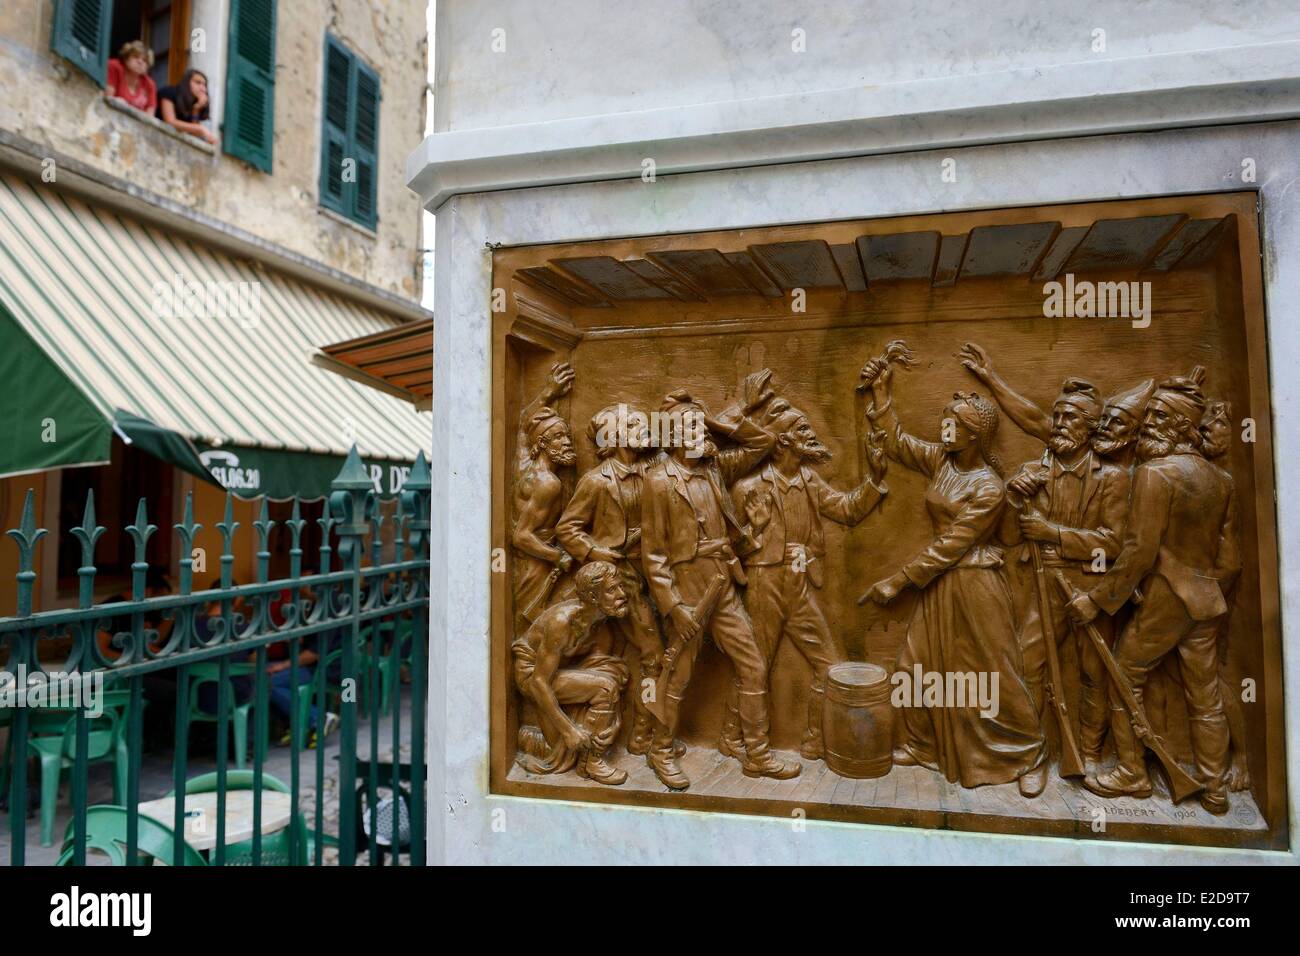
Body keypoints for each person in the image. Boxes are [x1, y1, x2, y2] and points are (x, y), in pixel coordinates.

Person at [862, 350, 1046, 790]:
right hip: (941, 584)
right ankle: (924, 743)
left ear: (975, 435)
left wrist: (898, 579)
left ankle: (1028, 752)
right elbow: (896, 440)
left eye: (953, 425)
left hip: (975, 583)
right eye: (945, 423)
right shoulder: (942, 462)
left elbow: (953, 545)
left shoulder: (988, 486)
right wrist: (881, 392)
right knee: (914, 667)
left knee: (995, 674)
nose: (945, 430)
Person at [1066, 372, 1240, 814]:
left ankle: (1132, 773)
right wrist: (1207, 588)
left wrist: (1097, 599)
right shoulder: (1221, 480)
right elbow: (1228, 558)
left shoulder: (1155, 474)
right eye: (1150, 415)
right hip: (1205, 602)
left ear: (1183, 426)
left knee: (1124, 677)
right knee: (1205, 696)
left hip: (1167, 598)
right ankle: (1215, 788)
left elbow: (1138, 553)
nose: (1147, 424)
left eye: (1159, 416)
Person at [641, 372, 800, 788]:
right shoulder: (657, 482)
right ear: (674, 437)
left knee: (752, 664)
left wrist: (713, 419)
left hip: (722, 583)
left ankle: (757, 754)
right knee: (677, 673)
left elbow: (761, 443)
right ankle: (661, 751)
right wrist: (673, 606)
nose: (701, 433)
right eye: (691, 428)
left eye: (701, 427)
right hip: (686, 587)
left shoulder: (714, 470)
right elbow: (653, 553)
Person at [725, 400, 888, 760]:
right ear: (781, 441)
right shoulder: (750, 487)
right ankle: (734, 736)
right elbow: (729, 547)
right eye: (801, 430)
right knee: (757, 667)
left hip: (799, 583)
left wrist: (874, 480)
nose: (810, 434)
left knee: (828, 665)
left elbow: (846, 510)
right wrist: (756, 528)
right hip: (764, 582)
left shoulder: (810, 480)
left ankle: (815, 738)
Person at [1002, 378, 1130, 790]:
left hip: (1092, 589)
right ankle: (1034, 755)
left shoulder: (1113, 478)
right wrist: (1013, 497)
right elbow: (1008, 537)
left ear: (1091, 426)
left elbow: (1114, 543)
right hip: (1042, 586)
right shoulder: (1032, 471)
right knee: (1028, 665)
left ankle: (1089, 754)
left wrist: (1053, 534)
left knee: (1095, 672)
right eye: (1056, 415)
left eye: (1069, 417)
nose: (1058, 423)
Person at [555, 403, 670, 759]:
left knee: (654, 654)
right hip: (614, 579)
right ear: (617, 435)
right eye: (635, 423)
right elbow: (567, 528)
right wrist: (596, 552)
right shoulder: (596, 481)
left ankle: (642, 731)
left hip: (652, 573)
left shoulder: (655, 470)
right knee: (649, 654)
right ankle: (630, 733)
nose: (644, 426)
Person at [512, 561, 632, 785]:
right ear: (593, 597)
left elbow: (600, 659)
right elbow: (539, 681)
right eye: (612, 590)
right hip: (531, 675)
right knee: (605, 687)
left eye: (620, 587)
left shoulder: (598, 619)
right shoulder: (562, 622)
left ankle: (586, 751)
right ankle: (592, 762)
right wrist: (568, 730)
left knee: (615, 672)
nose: (622, 594)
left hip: (558, 671)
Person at [157, 69, 217, 145]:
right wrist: (201, 129)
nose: (203, 88)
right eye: (198, 82)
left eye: (204, 85)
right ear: (187, 83)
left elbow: (194, 134)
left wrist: (196, 109)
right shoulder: (169, 92)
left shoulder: (195, 104)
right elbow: (170, 121)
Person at [105, 41, 157, 114]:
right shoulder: (114, 66)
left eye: (145, 60)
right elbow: (107, 99)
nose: (140, 62)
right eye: (135, 57)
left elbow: (150, 115)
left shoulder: (150, 84)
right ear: (126, 58)